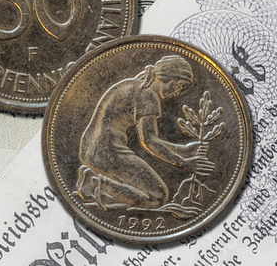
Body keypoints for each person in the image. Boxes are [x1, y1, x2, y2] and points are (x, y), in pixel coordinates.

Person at [75, 55, 215, 211]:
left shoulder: (136, 85)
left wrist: (184, 150)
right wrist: (184, 163)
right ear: (169, 78)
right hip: (106, 151)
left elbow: (150, 139)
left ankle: (96, 182)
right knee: (157, 197)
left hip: (92, 148)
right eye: (180, 85)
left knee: (145, 190)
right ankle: (95, 182)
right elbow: (149, 142)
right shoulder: (148, 96)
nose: (178, 92)